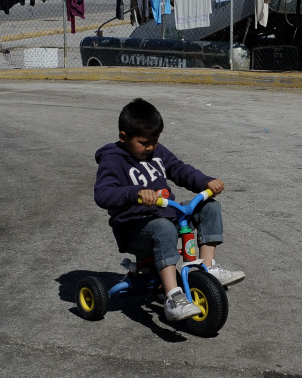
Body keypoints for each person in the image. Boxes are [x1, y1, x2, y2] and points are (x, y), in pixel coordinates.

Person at [94, 98, 244, 321]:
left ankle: (208, 268)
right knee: (163, 229)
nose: (151, 147)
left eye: (154, 141)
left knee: (208, 207)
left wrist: (205, 182)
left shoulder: (157, 152)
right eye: (144, 142)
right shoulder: (112, 160)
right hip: (133, 228)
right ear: (123, 137)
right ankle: (174, 296)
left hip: (166, 215)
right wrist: (135, 193)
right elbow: (103, 194)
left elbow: (178, 169)